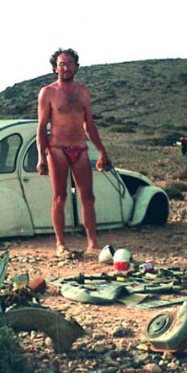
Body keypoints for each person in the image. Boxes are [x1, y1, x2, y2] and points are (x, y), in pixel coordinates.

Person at [36, 48, 112, 258]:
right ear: (55, 68)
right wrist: (41, 156)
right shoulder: (48, 93)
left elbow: (89, 125)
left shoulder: (83, 92)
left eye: (69, 63)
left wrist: (102, 152)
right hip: (57, 149)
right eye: (61, 64)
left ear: (76, 67)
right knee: (59, 197)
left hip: (80, 148)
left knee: (88, 197)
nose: (66, 68)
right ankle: (61, 245)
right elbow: (41, 127)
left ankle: (92, 244)